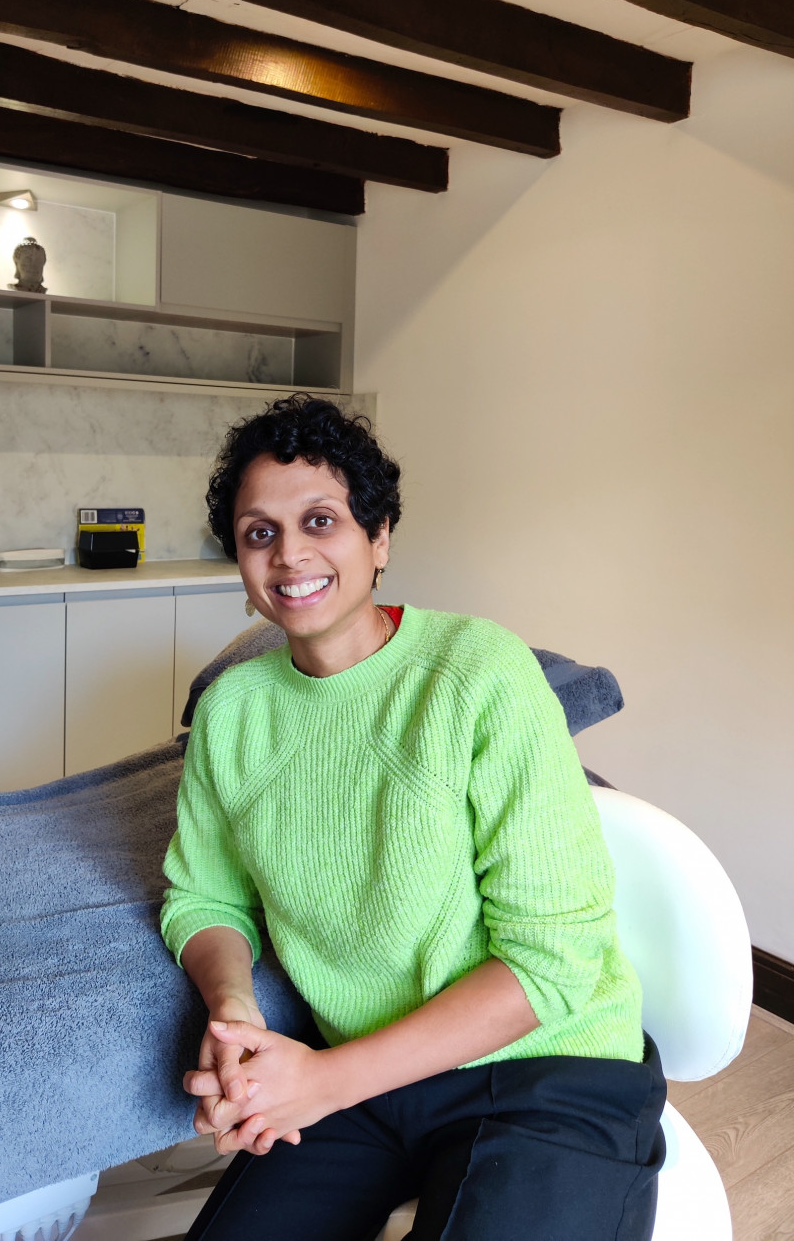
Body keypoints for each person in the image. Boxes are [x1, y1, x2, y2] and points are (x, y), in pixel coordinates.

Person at [161, 394, 665, 1241]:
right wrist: (235, 1005)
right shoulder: (231, 710)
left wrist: (324, 1082)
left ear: (378, 537)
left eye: (320, 520)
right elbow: (202, 897)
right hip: (365, 1078)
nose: (290, 556)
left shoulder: (478, 673)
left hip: (549, 1070)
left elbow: (554, 962)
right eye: (260, 533)